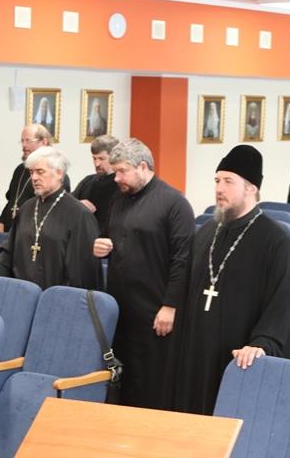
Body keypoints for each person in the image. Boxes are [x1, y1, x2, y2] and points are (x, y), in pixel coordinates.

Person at [176, 145, 290, 415]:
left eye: (228, 181)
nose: (219, 188)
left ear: (251, 188)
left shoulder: (275, 241)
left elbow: (283, 302)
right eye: (217, 181)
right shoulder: (206, 233)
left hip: (240, 356)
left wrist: (261, 343)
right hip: (198, 351)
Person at [93, 139, 195, 409]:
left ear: (142, 166)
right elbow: (114, 238)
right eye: (115, 171)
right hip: (121, 307)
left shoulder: (174, 203)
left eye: (122, 171)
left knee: (152, 381)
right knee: (123, 379)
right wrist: (102, 246)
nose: (116, 178)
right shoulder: (119, 199)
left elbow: (183, 259)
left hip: (155, 309)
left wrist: (170, 306)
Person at [0, 146, 100, 291]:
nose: (34, 177)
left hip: (56, 297)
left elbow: (80, 273)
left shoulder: (79, 215)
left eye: (40, 172)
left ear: (59, 173)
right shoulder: (26, 208)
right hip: (21, 293)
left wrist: (61, 299)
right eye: (31, 172)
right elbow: (8, 251)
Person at [0, 124, 69, 233]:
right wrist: (1, 223)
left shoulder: (55, 175)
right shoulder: (20, 170)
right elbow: (12, 201)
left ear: (44, 142)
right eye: (22, 141)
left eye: (28, 141)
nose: (24, 145)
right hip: (8, 233)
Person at [72, 134, 120, 233]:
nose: (97, 164)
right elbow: (67, 203)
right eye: (94, 158)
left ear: (114, 157)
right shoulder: (87, 181)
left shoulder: (121, 184)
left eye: (102, 159)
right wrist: (79, 206)